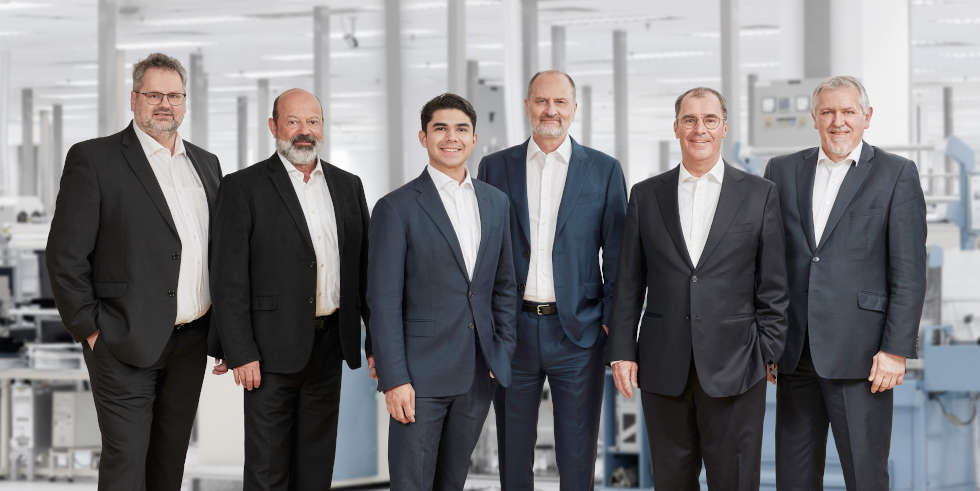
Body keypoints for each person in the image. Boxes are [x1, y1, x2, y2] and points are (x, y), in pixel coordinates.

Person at [46, 52, 222, 491]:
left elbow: (216, 253)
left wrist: (227, 333)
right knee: (126, 462)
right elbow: (65, 255)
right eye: (154, 94)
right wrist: (90, 331)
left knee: (169, 461)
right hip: (122, 340)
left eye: (174, 95)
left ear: (185, 102)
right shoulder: (95, 159)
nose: (165, 104)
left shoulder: (206, 164)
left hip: (190, 342)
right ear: (134, 98)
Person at [606, 87, 789, 490]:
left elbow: (773, 284)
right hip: (663, 366)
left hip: (737, 366)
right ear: (676, 127)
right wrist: (622, 351)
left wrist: (767, 352)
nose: (699, 129)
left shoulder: (759, 194)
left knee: (735, 481)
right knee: (671, 481)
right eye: (689, 120)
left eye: (709, 120)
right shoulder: (646, 195)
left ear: (724, 127)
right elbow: (629, 282)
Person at [765, 75, 927, 491]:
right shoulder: (782, 171)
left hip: (864, 356)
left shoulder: (896, 174)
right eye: (828, 112)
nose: (838, 121)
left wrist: (895, 350)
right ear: (814, 118)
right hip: (796, 353)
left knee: (865, 476)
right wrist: (769, 340)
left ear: (866, 117)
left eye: (848, 112)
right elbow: (769, 264)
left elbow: (909, 272)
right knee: (793, 479)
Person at [209, 88, 371, 490]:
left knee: (316, 469)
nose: (304, 131)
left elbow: (363, 271)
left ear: (323, 127)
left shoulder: (348, 186)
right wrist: (240, 350)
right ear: (274, 126)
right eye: (293, 121)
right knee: (268, 470)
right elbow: (228, 278)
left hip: (330, 346)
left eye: (312, 121)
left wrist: (375, 343)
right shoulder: (242, 187)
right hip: (267, 354)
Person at [477, 70, 626, 490]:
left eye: (560, 102)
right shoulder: (495, 168)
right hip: (514, 332)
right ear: (527, 105)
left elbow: (618, 259)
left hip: (577, 334)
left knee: (577, 456)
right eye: (542, 101)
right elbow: (484, 253)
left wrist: (610, 325)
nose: (550, 110)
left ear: (574, 108)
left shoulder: (604, 171)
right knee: (513, 454)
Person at [368, 93, 517, 490]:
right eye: (441, 128)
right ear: (423, 137)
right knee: (411, 483)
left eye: (461, 129)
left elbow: (504, 286)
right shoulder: (396, 208)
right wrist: (394, 379)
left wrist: (501, 350)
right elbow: (383, 301)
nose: (452, 137)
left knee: (452, 482)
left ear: (474, 138)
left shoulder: (496, 203)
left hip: (476, 375)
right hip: (418, 379)